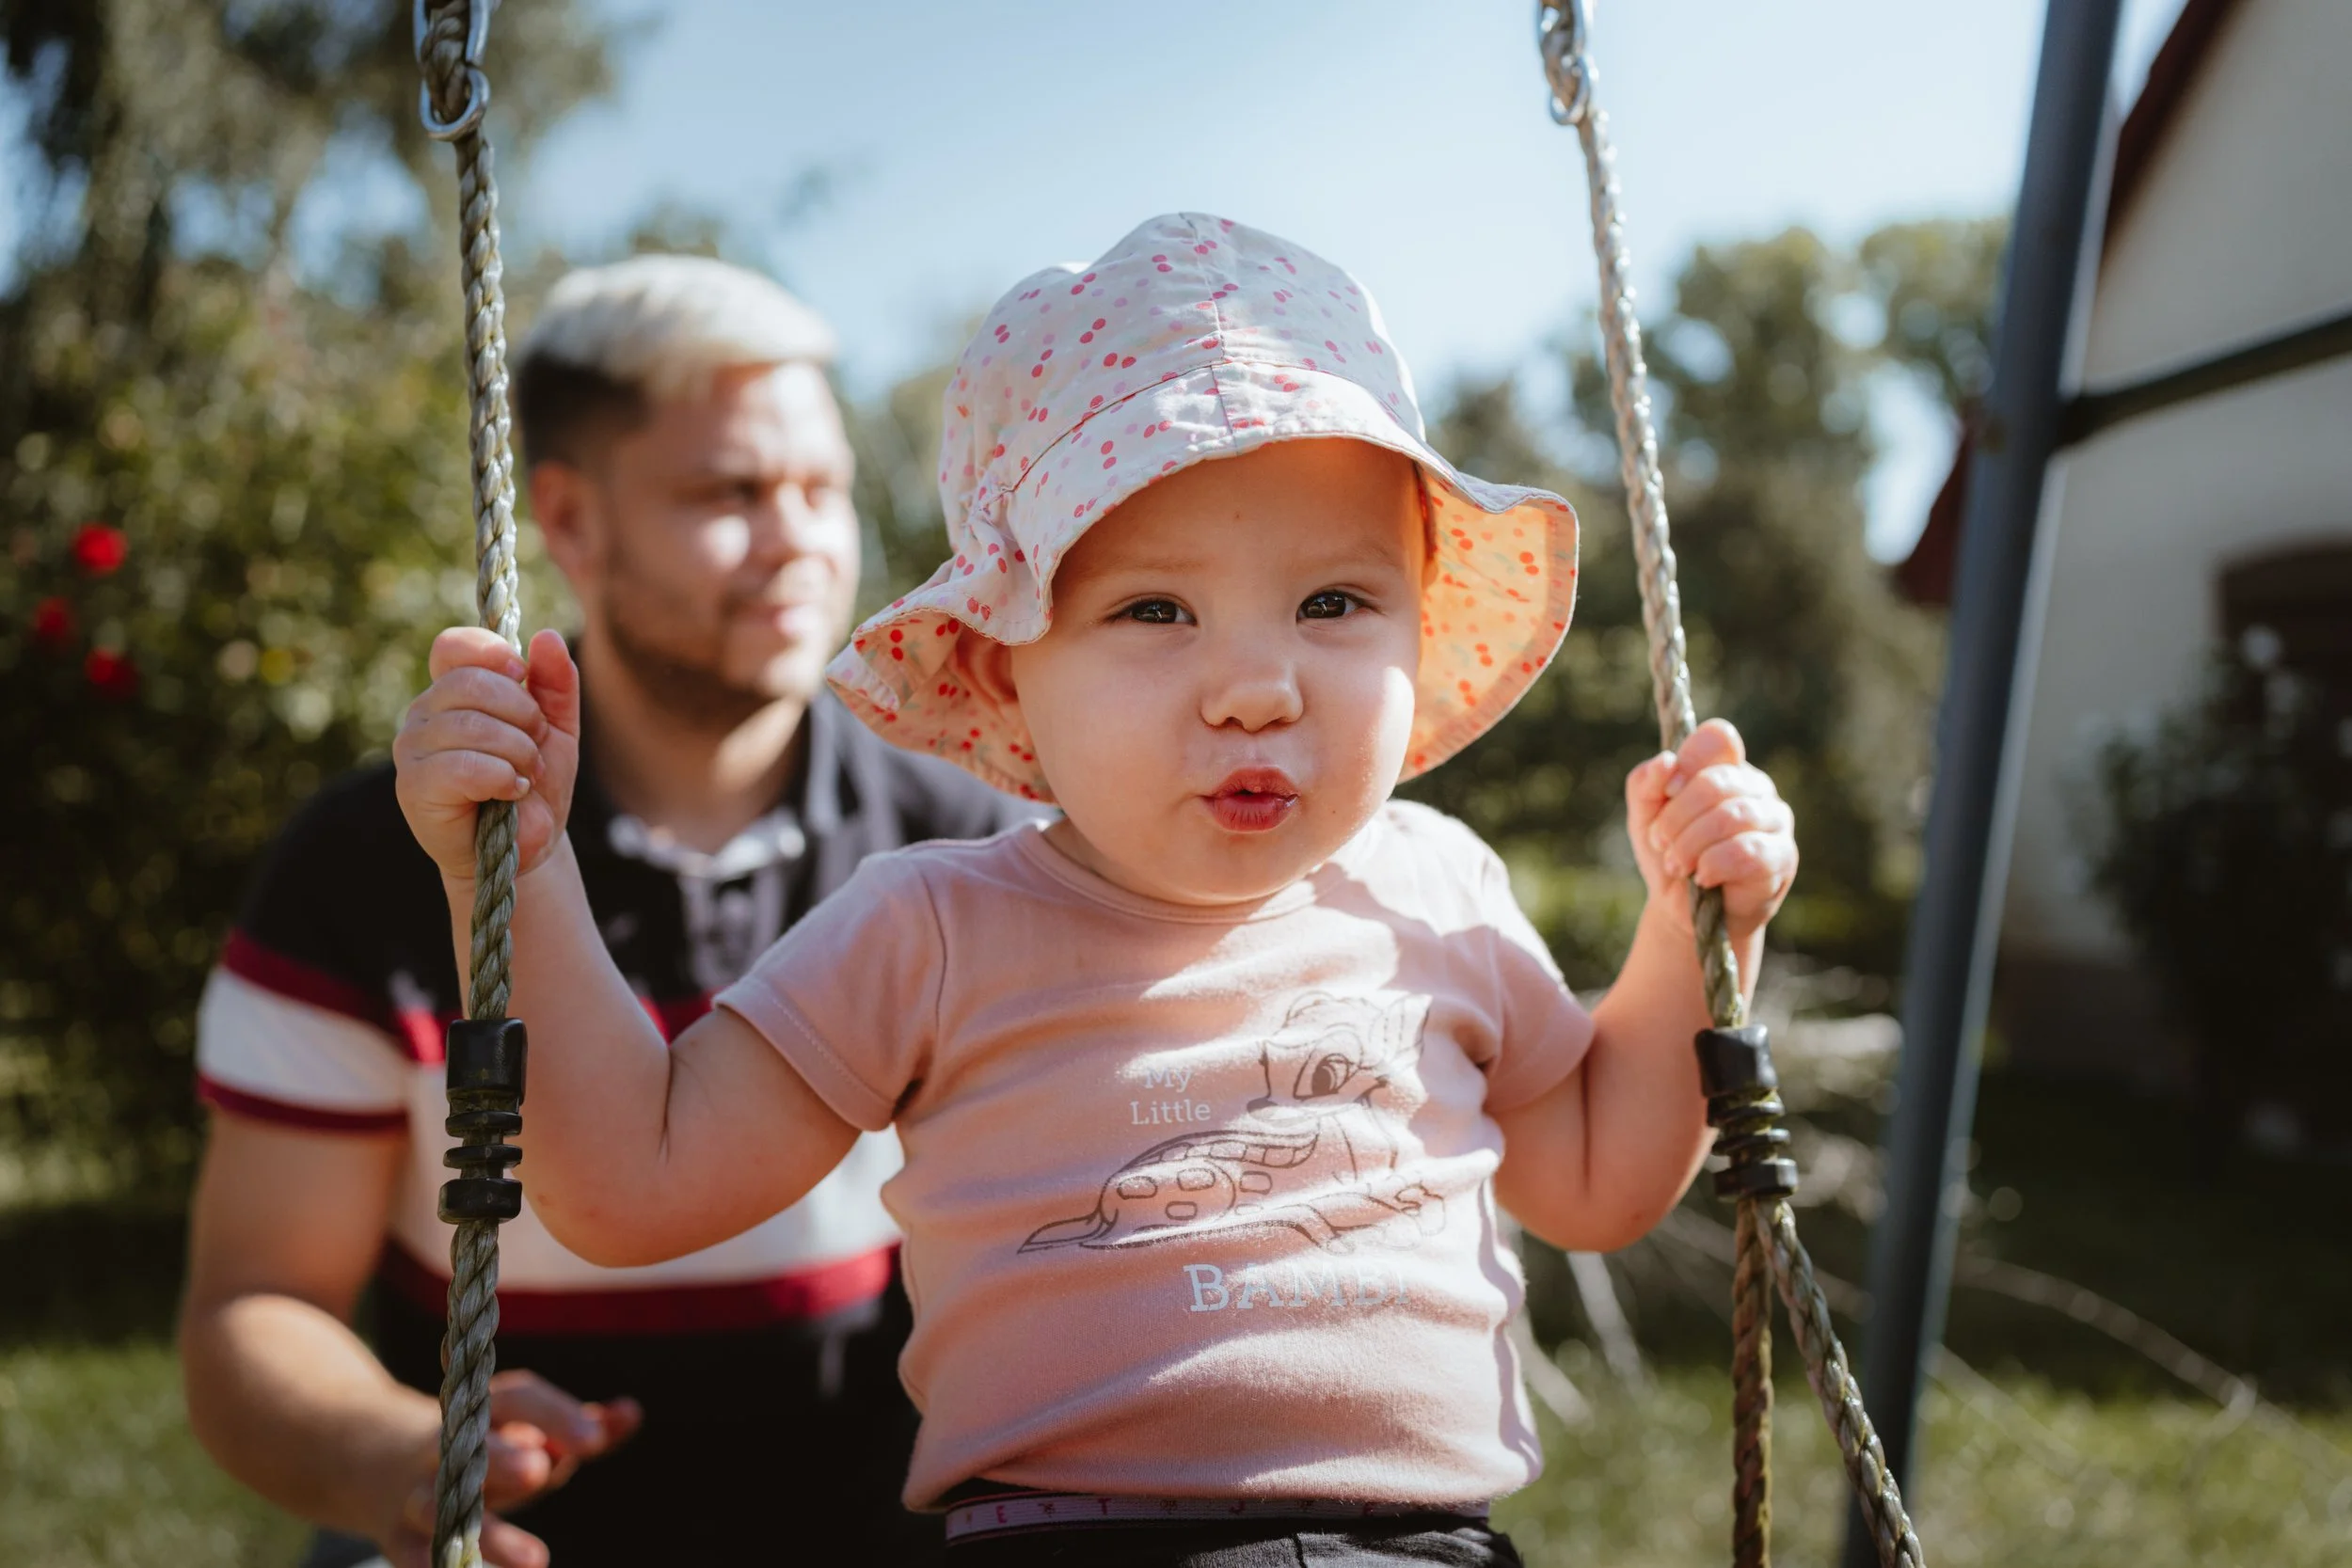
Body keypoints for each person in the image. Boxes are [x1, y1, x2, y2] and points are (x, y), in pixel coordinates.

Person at [391, 214, 1801, 1567]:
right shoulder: (934, 926)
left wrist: (1697, 935)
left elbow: (1603, 1174)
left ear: (1419, 627)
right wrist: (517, 868)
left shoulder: (1439, 888)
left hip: (1425, 1546)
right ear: (1006, 662)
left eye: (1333, 603)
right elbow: (632, 1178)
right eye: (1154, 611)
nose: (1259, 686)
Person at [180, 254, 1035, 1568]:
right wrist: (394, 1453)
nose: (800, 535)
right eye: (731, 493)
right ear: (569, 522)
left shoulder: (965, 840)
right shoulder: (374, 863)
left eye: (824, 488)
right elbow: (255, 1303)